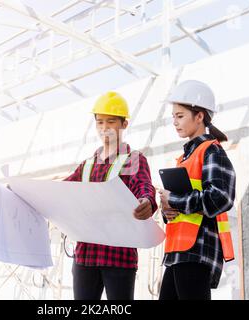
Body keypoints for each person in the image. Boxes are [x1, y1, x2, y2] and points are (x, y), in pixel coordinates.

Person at [64, 91, 158, 300]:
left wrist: (147, 202)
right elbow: (62, 191)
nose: (104, 128)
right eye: (100, 122)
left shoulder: (133, 159)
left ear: (124, 124)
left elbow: (144, 186)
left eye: (111, 122)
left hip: (118, 256)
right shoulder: (87, 164)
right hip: (85, 255)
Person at [158, 80, 236, 300]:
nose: (174, 122)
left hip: (197, 251)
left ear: (199, 116)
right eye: (173, 116)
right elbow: (184, 202)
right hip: (177, 252)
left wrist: (173, 199)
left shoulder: (212, 151)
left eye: (180, 116)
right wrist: (167, 210)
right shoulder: (184, 157)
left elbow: (220, 198)